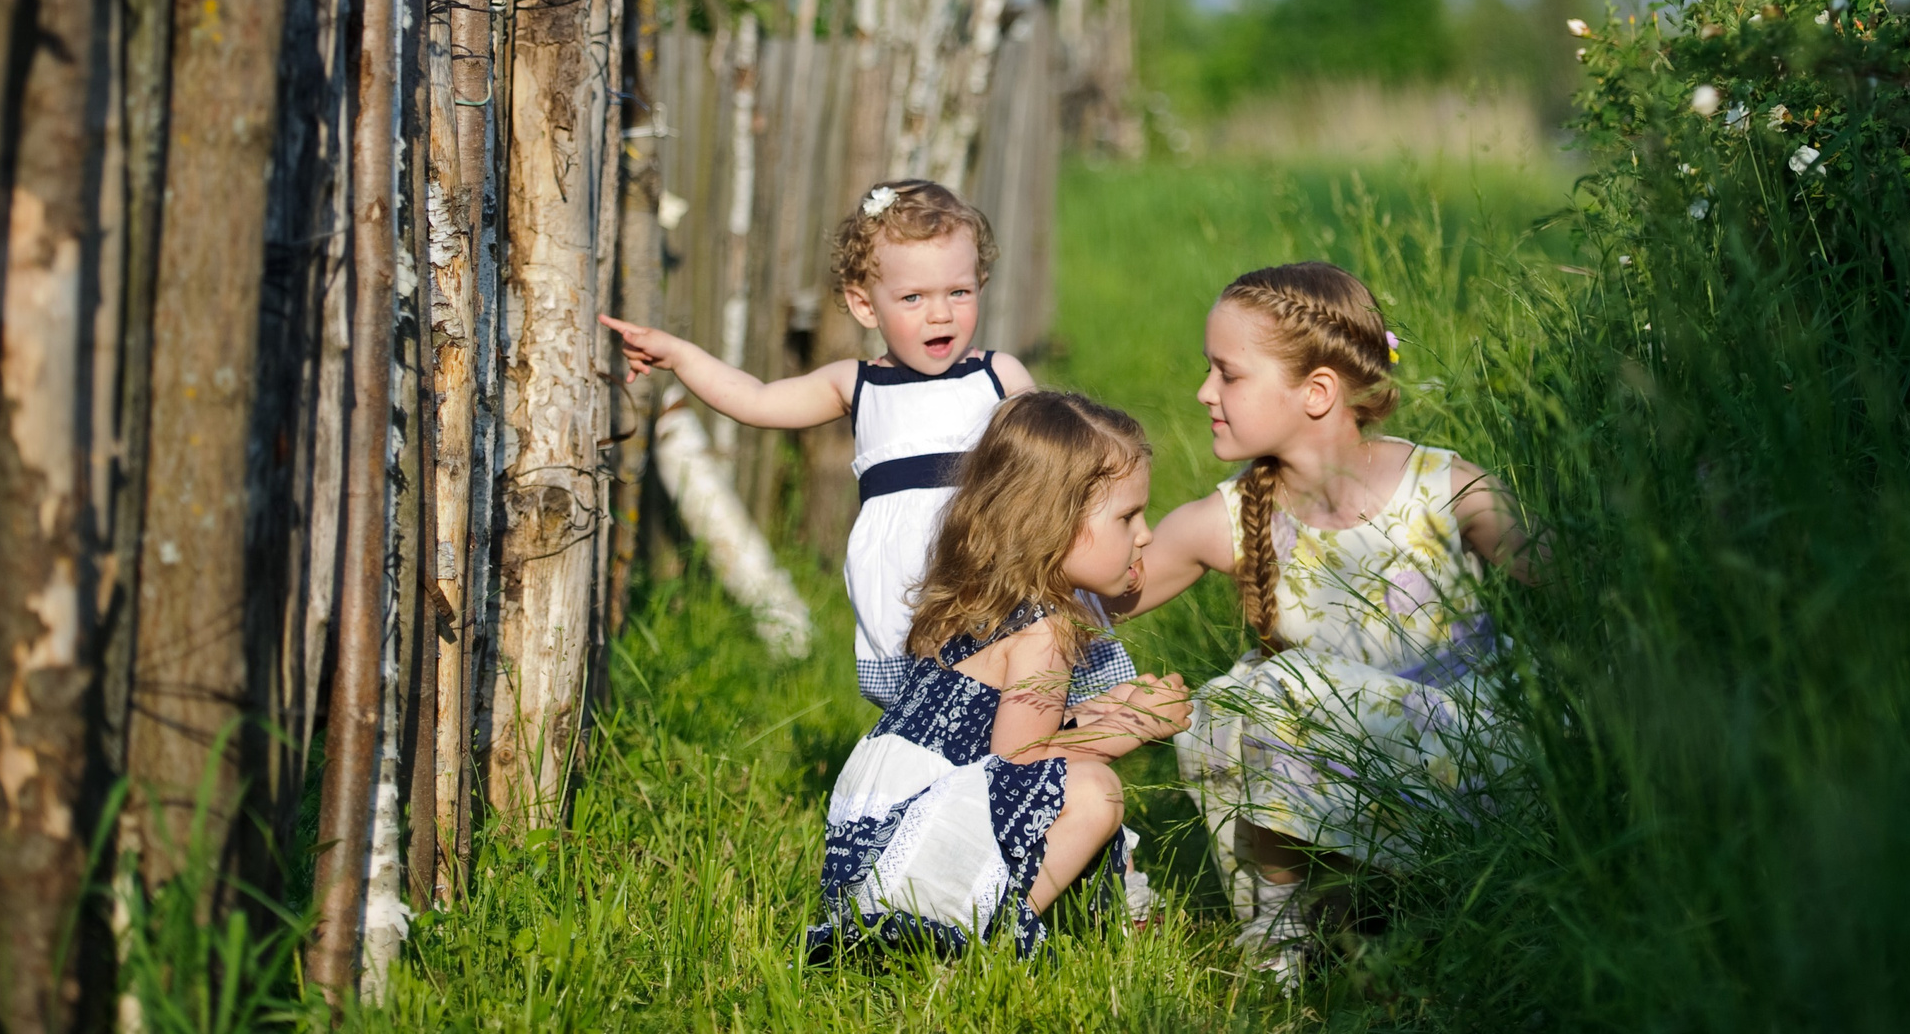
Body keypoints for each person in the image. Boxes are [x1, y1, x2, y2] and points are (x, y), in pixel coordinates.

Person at [1106, 261, 1534, 983]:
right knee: (1239, 701)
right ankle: (1300, 933)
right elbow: (1097, 594)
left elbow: (1581, 576)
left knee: (1277, 688)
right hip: (1361, 781)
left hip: (1475, 767)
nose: (1204, 392)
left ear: (1318, 392)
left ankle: (1355, 916)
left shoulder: (1443, 490)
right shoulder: (1235, 516)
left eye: (1227, 374)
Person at [602, 178, 1136, 711]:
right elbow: (757, 400)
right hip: (913, 597)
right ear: (864, 305)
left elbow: (1057, 461)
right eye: (913, 298)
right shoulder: (857, 384)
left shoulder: (998, 375)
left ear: (981, 282)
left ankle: (1079, 748)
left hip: (1001, 571)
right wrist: (681, 356)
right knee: (944, 726)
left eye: (959, 292)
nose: (940, 314)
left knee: (1040, 702)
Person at [807, 392, 1193, 961]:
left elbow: (987, 739)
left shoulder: (984, 596)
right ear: (1053, 522)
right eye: (1127, 517)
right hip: (911, 864)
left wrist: (1098, 711)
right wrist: (1131, 726)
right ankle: (984, 938)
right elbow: (1020, 762)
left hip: (873, 848)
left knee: (1078, 774)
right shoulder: (1045, 629)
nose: (1145, 535)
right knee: (1094, 791)